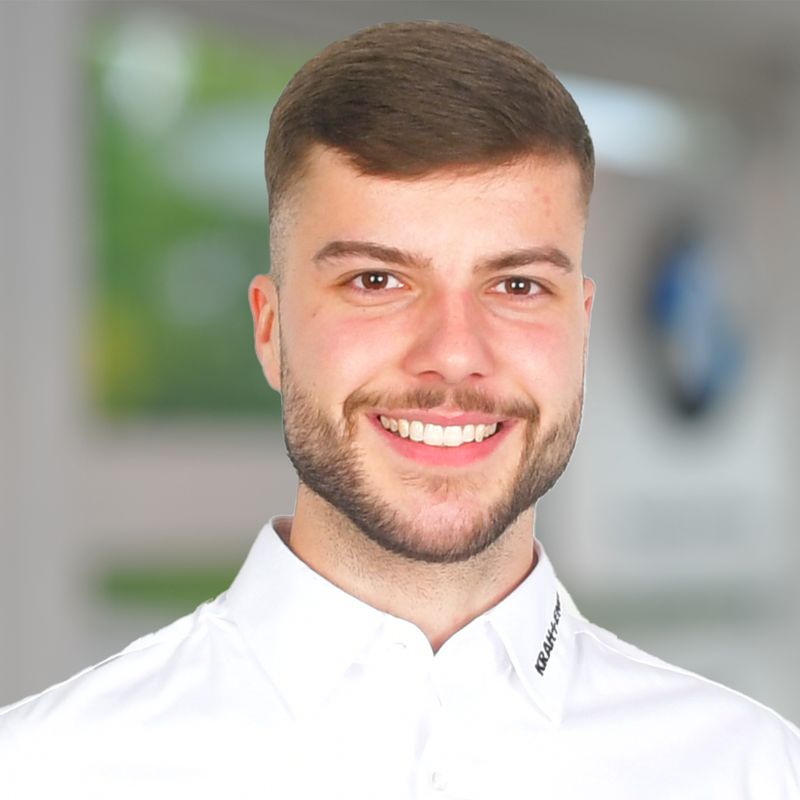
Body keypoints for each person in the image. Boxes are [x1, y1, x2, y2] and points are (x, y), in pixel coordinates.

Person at [1, 19, 799, 799]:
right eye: (377, 281)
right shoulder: (42, 772)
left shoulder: (755, 772)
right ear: (270, 330)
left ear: (581, 331)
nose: (453, 353)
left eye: (517, 285)